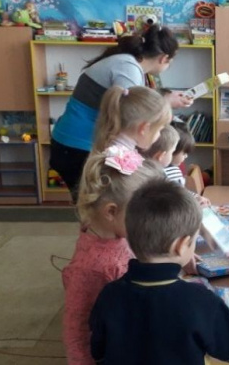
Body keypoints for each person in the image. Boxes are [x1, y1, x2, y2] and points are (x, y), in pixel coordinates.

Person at [89, 180, 229, 364]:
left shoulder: (108, 295)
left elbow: (98, 353)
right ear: (182, 245)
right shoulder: (200, 300)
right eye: (194, 240)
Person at [50, 25, 191, 202]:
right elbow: (133, 111)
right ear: (164, 58)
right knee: (96, 207)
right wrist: (167, 103)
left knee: (95, 206)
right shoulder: (128, 68)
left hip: (73, 142)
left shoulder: (126, 63)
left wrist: (166, 98)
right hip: (77, 146)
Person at [62, 153, 165, 365]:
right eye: (142, 215)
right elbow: (77, 334)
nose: (148, 223)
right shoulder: (89, 268)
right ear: (111, 211)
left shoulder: (118, 233)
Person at [142, 123, 210, 206]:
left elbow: (181, 191)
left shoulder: (146, 170)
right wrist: (195, 201)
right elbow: (179, 198)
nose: (186, 156)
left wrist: (195, 197)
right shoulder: (170, 172)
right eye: (184, 152)